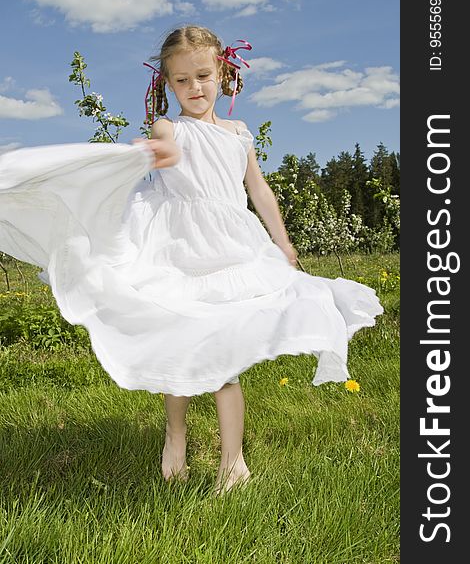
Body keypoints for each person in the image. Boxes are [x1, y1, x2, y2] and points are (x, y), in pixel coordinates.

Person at [0, 25, 383, 496]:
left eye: (202, 75)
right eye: (181, 81)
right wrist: (153, 153)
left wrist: (282, 243)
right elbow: (169, 147)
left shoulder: (239, 134)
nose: (194, 88)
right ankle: (175, 437)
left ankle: (232, 461)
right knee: (178, 341)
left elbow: (258, 191)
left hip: (231, 248)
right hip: (178, 248)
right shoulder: (169, 127)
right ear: (167, 84)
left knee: (226, 356)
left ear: (222, 72)